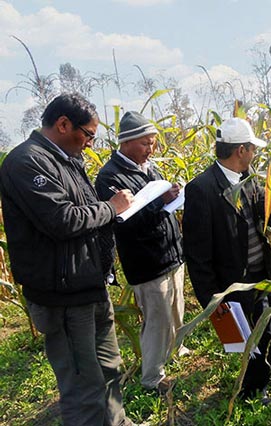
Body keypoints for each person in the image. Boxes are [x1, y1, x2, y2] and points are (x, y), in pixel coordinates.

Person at [0, 93, 134, 426]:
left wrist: (110, 212)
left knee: (109, 370)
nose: (90, 143)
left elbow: (85, 213)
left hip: (90, 286)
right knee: (83, 388)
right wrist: (110, 208)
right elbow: (62, 220)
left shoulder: (67, 160)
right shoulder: (26, 162)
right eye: (87, 134)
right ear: (63, 124)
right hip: (63, 297)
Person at [182, 117, 271, 404]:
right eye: (251, 148)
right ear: (240, 150)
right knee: (252, 338)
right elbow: (197, 254)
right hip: (235, 282)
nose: (254, 153)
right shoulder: (201, 189)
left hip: (264, 271)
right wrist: (213, 302)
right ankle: (253, 389)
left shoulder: (250, 179)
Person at [95, 111, 187, 393]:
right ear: (126, 143)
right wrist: (162, 203)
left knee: (176, 309)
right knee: (156, 320)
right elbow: (126, 223)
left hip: (171, 253)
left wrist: (173, 196)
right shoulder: (110, 177)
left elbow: (158, 203)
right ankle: (152, 377)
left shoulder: (149, 167)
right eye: (146, 143)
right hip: (147, 262)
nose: (152, 149)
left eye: (154, 142)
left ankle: (175, 350)